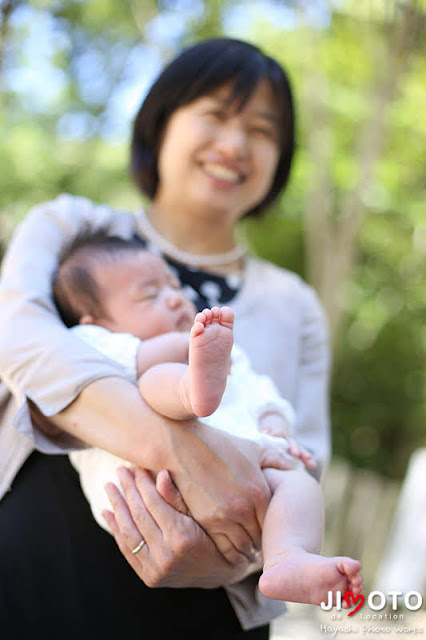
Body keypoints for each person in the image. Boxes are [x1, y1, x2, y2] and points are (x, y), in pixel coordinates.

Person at [0, 38, 331, 639]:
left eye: (261, 129)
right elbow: (16, 337)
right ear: (162, 120)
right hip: (36, 575)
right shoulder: (73, 230)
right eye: (215, 114)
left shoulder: (296, 305)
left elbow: (306, 458)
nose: (235, 144)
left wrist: (238, 559)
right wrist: (170, 446)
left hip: (209, 613)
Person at [53, 231, 362, 605]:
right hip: (149, 497)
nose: (174, 296)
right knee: (153, 379)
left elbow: (258, 389)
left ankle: (288, 560)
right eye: (151, 294)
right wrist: (183, 347)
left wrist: (275, 423)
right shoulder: (92, 342)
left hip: (245, 487)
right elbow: (98, 362)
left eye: (174, 285)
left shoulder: (221, 344)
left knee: (299, 484)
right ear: (96, 321)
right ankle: (190, 391)